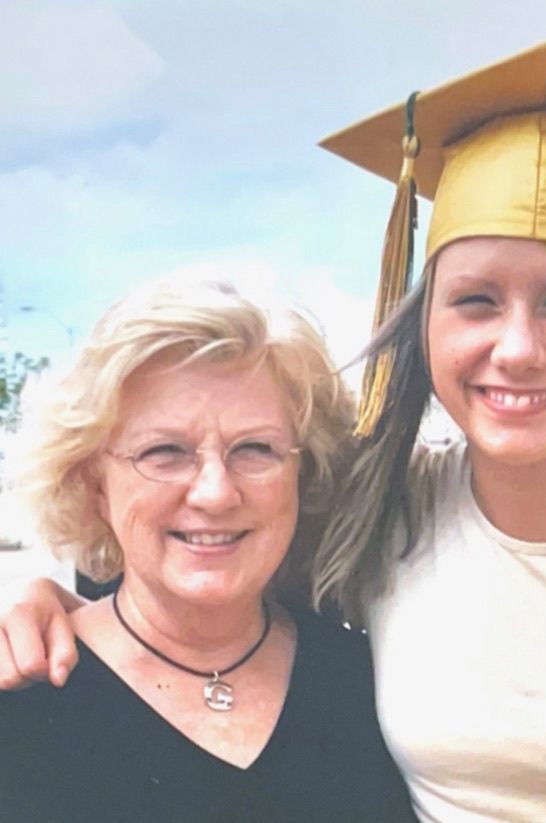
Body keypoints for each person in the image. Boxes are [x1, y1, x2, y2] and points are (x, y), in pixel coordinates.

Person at [4, 35, 546, 822]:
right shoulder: (377, 516)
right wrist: (50, 602)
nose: (518, 348)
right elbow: (192, 559)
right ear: (422, 325)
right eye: (476, 300)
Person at [0, 277, 417, 822]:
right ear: (93, 483)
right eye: (165, 452)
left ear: (304, 474)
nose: (215, 493)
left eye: (255, 449)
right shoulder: (23, 699)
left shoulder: (373, 686)